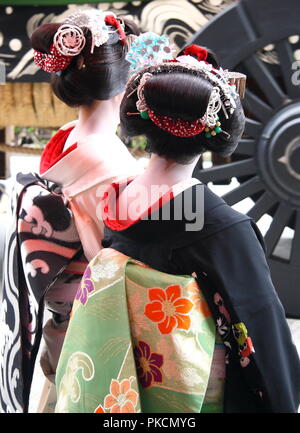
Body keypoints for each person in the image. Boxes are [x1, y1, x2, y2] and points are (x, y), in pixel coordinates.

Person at [54, 36, 300, 413]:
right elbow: (260, 329)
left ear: (142, 121)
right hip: (196, 395)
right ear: (215, 133)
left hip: (129, 384)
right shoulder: (222, 227)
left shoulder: (116, 198)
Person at [0, 9, 142, 413]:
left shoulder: (65, 135)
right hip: (90, 316)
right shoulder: (114, 164)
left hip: (56, 303)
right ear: (125, 83)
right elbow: (110, 263)